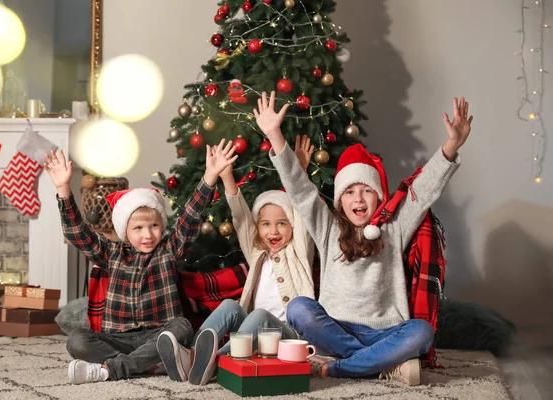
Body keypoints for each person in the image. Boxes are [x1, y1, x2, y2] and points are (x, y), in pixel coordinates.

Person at [255, 91, 473, 386]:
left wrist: (452, 144)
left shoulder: (393, 227)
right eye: (349, 191)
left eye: (366, 190)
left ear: (378, 196)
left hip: (386, 331)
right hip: (336, 328)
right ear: (340, 201)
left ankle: (338, 368)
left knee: (422, 332)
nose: (358, 198)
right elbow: (300, 189)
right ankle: (381, 363)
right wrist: (274, 135)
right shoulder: (328, 227)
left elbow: (423, 191)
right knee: (298, 309)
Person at [43, 139, 238, 384]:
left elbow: (190, 218)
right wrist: (63, 189)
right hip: (119, 338)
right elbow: (77, 234)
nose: (147, 235)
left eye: (154, 226)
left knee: (183, 327)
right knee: (77, 340)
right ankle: (152, 364)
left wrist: (210, 176)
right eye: (138, 228)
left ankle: (114, 369)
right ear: (125, 230)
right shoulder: (111, 252)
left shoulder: (169, 250)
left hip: (159, 334)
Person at [157, 138, 316, 385]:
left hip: (289, 337)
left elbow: (301, 211)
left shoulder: (298, 250)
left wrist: (300, 171)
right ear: (258, 228)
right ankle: (193, 354)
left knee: (260, 314)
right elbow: (240, 216)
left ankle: (215, 361)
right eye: (265, 224)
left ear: (292, 226)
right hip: (254, 335)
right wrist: (227, 177)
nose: (273, 231)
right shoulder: (257, 252)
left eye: (281, 223)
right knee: (231, 306)